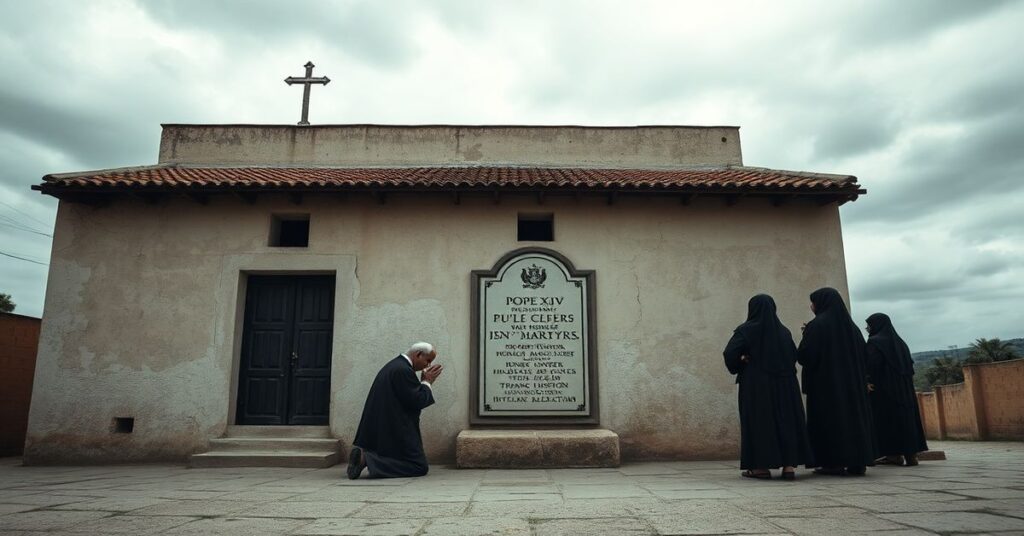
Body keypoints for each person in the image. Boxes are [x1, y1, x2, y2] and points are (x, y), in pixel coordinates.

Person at [723, 294, 813, 481]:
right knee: (787, 422)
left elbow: (730, 353)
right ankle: (789, 467)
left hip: (757, 386)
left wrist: (741, 360)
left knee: (760, 423)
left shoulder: (746, 330)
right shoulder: (784, 332)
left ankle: (760, 468)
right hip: (786, 386)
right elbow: (793, 356)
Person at [797, 287, 876, 476]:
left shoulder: (817, 326)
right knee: (853, 422)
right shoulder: (853, 329)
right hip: (853, 388)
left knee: (829, 423)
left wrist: (805, 335)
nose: (811, 306)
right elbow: (866, 357)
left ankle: (832, 463)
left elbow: (805, 356)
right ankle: (858, 462)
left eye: (813, 302)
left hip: (826, 387)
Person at [346, 342, 444, 479]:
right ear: (418, 354)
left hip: (386, 426)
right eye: (427, 361)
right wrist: (427, 382)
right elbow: (418, 401)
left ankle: (365, 458)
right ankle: (365, 459)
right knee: (418, 466)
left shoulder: (396, 366)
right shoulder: (403, 370)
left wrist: (423, 383)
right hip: (395, 428)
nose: (427, 366)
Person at [865, 313, 928, 466]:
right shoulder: (901, 343)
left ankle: (893, 454)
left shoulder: (874, 343)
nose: (867, 328)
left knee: (888, 422)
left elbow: (872, 365)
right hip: (904, 390)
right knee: (906, 420)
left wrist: (866, 381)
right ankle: (911, 454)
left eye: (869, 325)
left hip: (884, 390)